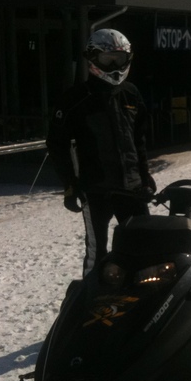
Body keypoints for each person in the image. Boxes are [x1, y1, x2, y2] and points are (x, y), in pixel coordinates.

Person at [46, 28, 155, 277]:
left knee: (144, 247)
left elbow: (139, 140)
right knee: (97, 254)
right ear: (93, 59)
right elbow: (57, 145)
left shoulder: (131, 94)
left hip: (132, 189)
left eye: (120, 59)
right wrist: (70, 185)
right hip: (95, 191)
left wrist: (145, 175)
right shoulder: (74, 99)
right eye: (108, 60)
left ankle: (140, 302)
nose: (115, 66)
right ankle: (89, 302)